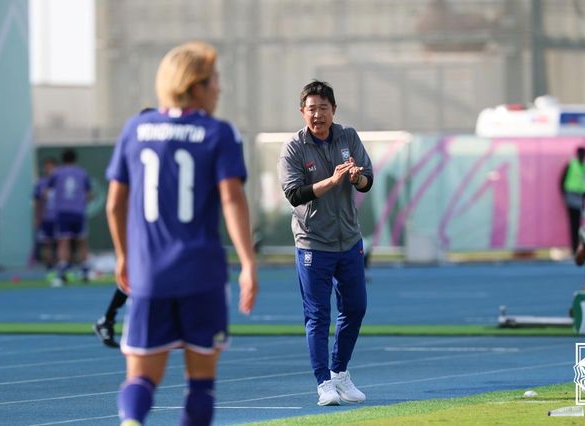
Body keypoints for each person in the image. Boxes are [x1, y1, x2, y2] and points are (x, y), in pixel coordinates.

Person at [106, 40, 258, 426]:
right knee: (201, 384)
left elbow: (114, 205)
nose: (220, 88)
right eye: (214, 80)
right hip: (202, 273)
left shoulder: (135, 129)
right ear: (195, 86)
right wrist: (247, 263)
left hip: (150, 273)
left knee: (140, 377)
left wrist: (124, 256)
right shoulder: (218, 133)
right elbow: (232, 199)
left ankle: (131, 421)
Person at [277, 80, 373, 406]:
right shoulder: (294, 147)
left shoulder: (348, 137)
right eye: (312, 109)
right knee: (318, 315)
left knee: (355, 308)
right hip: (313, 243)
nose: (317, 115)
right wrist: (331, 181)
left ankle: (340, 372)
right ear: (302, 112)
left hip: (349, 239)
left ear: (334, 110)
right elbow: (294, 194)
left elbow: (367, 181)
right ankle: (323, 383)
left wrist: (357, 177)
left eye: (323, 108)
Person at [47, 149, 92, 286]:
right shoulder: (82, 172)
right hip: (78, 212)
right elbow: (89, 193)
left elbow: (47, 191)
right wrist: (81, 203)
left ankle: (62, 273)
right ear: (75, 159)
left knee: (63, 241)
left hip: (62, 212)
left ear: (63, 159)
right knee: (82, 241)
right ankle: (85, 271)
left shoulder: (57, 173)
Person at [560, 146, 585, 254]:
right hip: (571, 196)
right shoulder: (571, 164)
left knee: (579, 224)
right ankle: (574, 248)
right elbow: (562, 180)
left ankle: (578, 247)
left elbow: (584, 181)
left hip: (580, 197)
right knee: (574, 223)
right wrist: (564, 195)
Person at [33, 157, 57, 271]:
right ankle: (49, 266)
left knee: (62, 242)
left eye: (51, 167)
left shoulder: (60, 181)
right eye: (47, 167)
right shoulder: (41, 183)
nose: (49, 170)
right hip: (46, 218)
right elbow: (37, 201)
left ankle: (62, 266)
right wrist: (37, 217)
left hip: (59, 217)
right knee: (47, 242)